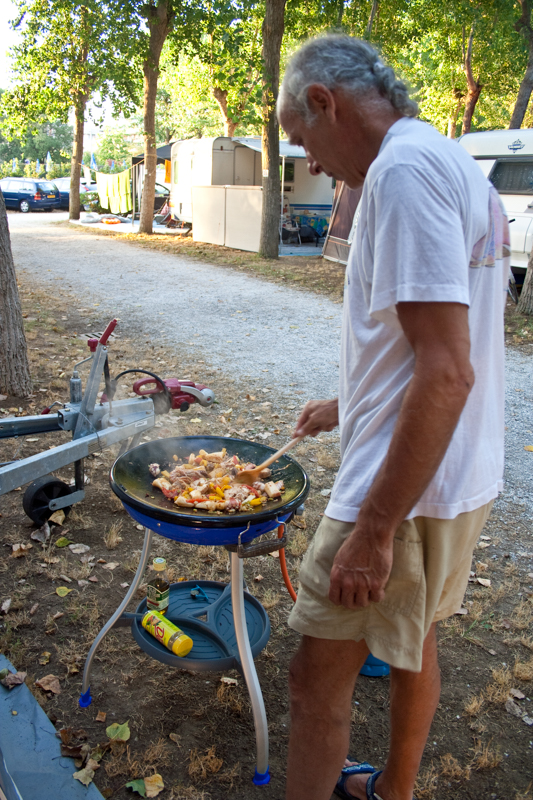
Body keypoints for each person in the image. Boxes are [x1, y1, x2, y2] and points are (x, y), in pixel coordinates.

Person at [277, 35, 509, 800]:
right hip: (454, 472)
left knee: (313, 682)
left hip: (400, 488)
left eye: (301, 139)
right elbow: (440, 343)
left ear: (324, 102)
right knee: (414, 643)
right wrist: (345, 404)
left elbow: (445, 371)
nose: (310, 164)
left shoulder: (401, 173)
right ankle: (392, 791)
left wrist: (374, 530)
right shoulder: (449, 160)